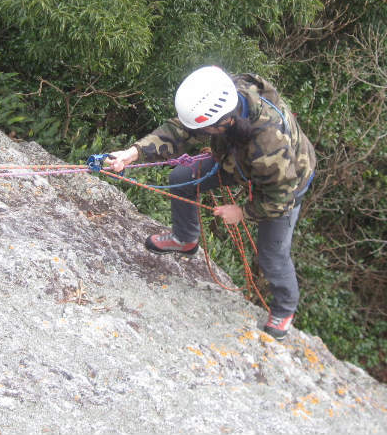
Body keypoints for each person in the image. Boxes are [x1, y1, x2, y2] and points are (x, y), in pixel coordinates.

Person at [106, 66, 316, 341]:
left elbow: (280, 199)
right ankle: (185, 239)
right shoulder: (228, 96)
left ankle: (285, 309)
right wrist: (134, 153)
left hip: (284, 185)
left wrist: (242, 211)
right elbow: (181, 129)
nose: (200, 133)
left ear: (224, 122)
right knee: (183, 177)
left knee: (272, 254)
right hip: (239, 159)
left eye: (206, 130)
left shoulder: (268, 145)